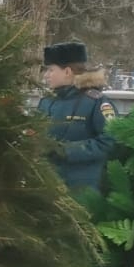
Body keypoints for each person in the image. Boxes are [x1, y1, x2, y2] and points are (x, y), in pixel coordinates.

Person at [36, 39, 115, 195]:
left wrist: (66, 150)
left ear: (67, 71)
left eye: (51, 70)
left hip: (82, 191)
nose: (46, 76)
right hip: (47, 187)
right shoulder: (46, 101)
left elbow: (109, 141)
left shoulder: (96, 102)